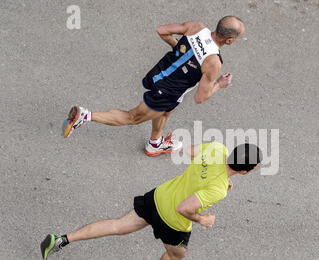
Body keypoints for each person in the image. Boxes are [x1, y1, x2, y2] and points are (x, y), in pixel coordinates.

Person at [40, 142, 262, 260]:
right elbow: (184, 208)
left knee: (118, 225)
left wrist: (211, 176)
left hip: (158, 196)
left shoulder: (217, 148)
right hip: (172, 221)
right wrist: (202, 219)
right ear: (245, 172)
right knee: (177, 254)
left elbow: (191, 153)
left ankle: (61, 239)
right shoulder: (218, 189)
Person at [62, 16, 245, 157]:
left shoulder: (196, 26)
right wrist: (220, 84)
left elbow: (162, 30)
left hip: (159, 73)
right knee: (132, 117)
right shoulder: (213, 62)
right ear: (229, 40)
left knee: (165, 111)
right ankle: (84, 116)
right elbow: (200, 97)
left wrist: (180, 48)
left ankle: (155, 144)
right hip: (166, 91)